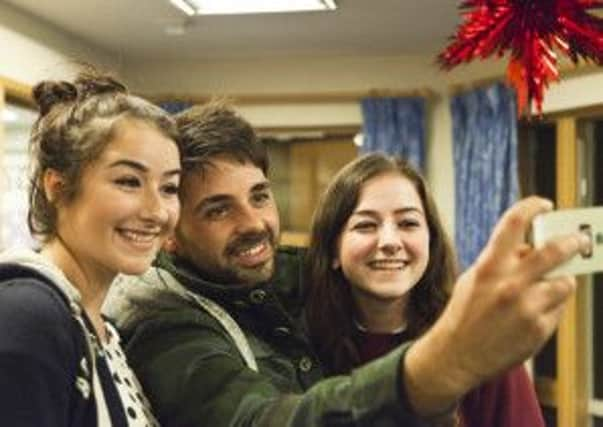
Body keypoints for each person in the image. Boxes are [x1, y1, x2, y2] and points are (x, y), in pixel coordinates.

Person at [105, 102, 588, 427]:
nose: (254, 223)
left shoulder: (285, 281)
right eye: (218, 210)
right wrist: (438, 367)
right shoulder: (163, 317)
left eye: (259, 196)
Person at [305, 152, 545, 427]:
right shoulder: (302, 346)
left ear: (430, 241)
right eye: (366, 225)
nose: (390, 242)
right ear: (333, 249)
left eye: (408, 223)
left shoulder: (479, 339)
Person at [0, 69, 182, 426]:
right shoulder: (27, 316)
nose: (157, 211)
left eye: (170, 188)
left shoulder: (99, 326)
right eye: (129, 182)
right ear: (57, 185)